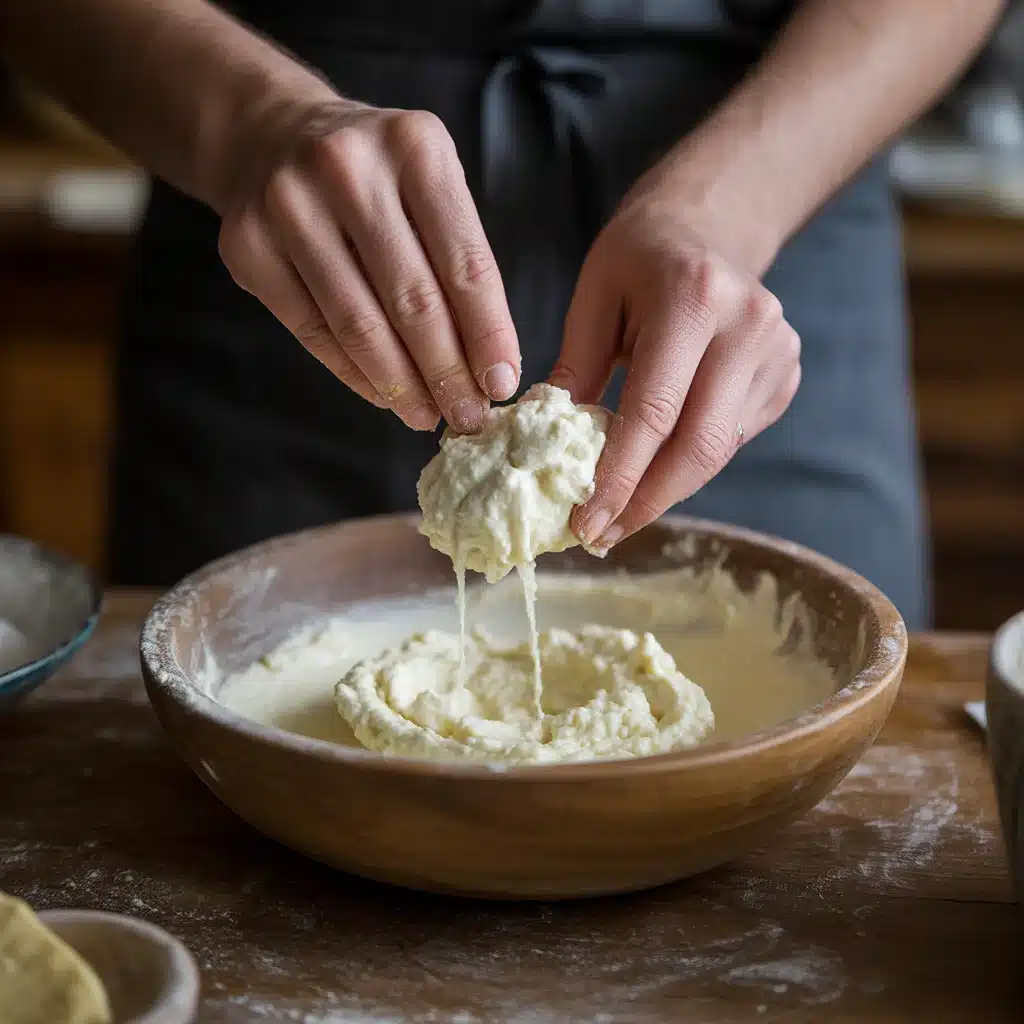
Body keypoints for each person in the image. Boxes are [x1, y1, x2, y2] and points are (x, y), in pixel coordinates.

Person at [0, 1, 1005, 629]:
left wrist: (726, 209)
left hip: (772, 196)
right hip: (279, 231)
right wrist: (247, 122)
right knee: (232, 736)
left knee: (810, 745)